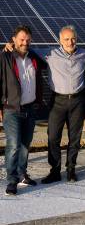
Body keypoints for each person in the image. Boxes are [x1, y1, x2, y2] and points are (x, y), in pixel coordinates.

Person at [40, 25, 85, 184]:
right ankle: (55, 171)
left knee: (75, 138)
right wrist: (10, 47)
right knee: (53, 137)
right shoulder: (49, 54)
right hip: (58, 102)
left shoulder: (84, 54)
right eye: (66, 39)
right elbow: (26, 50)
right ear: (60, 40)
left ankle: (71, 170)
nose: (70, 42)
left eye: (73, 38)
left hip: (77, 101)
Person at [0, 25, 47, 195]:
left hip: (30, 108)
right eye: (21, 39)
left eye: (27, 40)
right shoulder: (5, 57)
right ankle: (12, 180)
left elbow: (49, 60)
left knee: (25, 145)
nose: (24, 42)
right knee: (13, 145)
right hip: (11, 109)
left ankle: (22, 174)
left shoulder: (33, 57)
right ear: (13, 39)